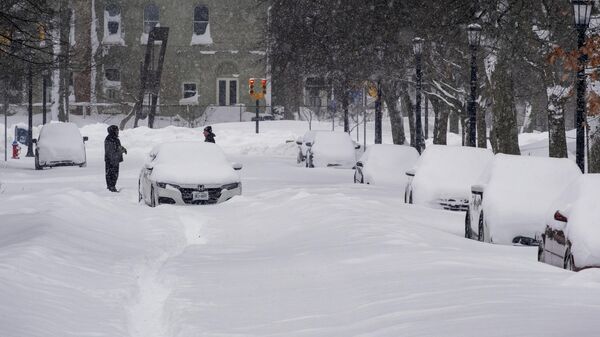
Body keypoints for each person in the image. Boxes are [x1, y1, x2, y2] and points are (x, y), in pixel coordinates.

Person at [104, 125, 127, 192]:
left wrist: (123, 149)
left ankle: (112, 186)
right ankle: (111, 187)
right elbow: (111, 151)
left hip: (115, 160)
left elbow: (117, 147)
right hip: (111, 161)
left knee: (115, 174)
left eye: (118, 131)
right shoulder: (109, 139)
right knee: (111, 174)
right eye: (116, 131)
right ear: (113, 131)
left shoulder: (114, 139)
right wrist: (120, 151)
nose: (118, 132)